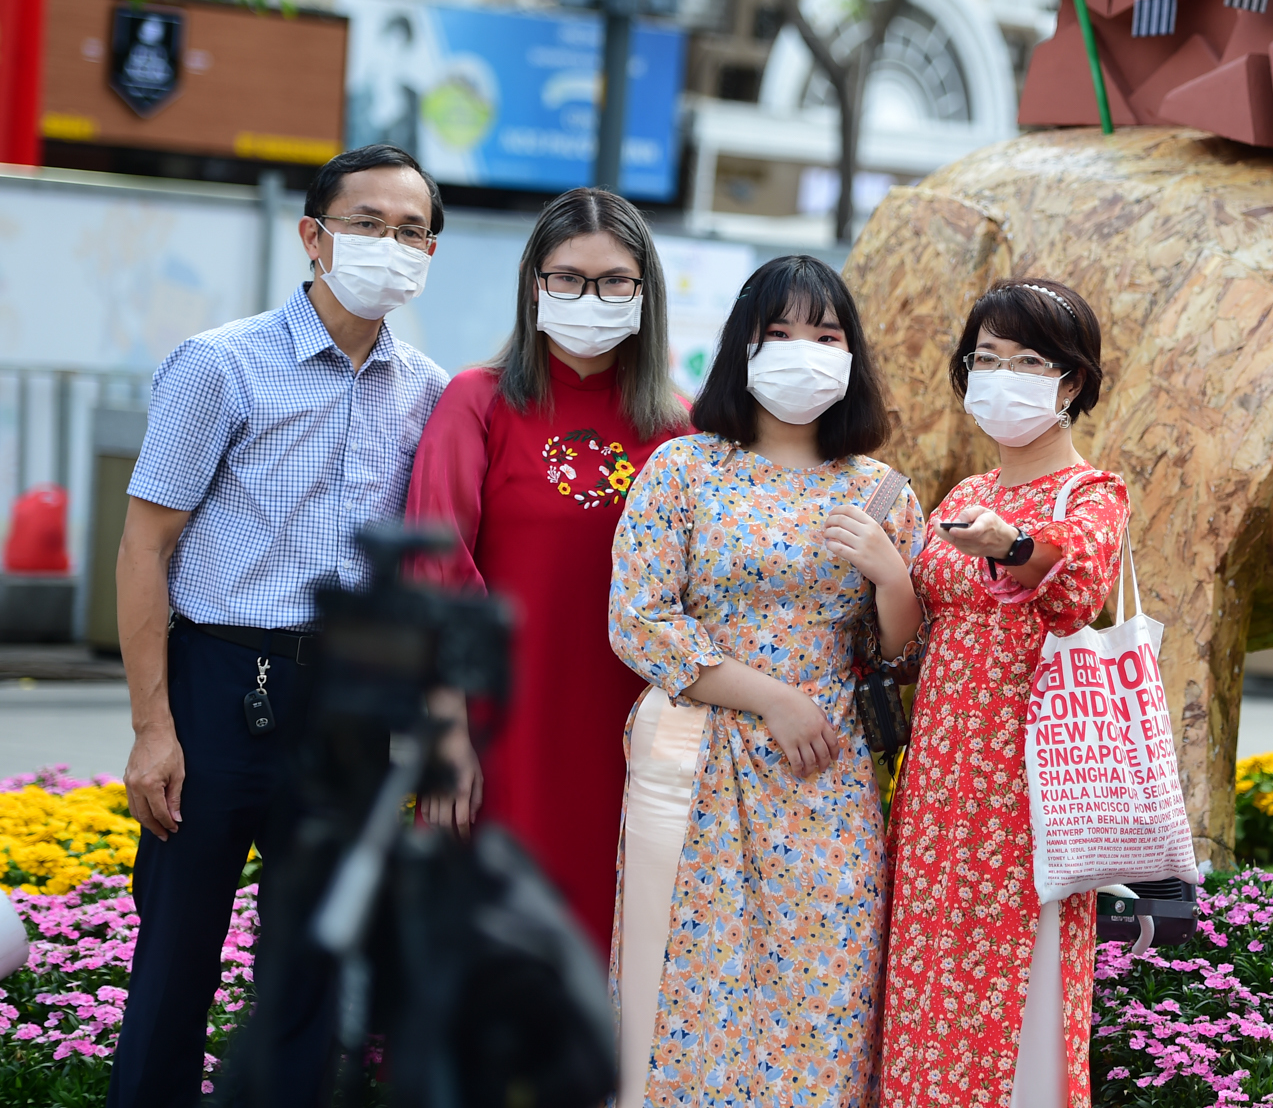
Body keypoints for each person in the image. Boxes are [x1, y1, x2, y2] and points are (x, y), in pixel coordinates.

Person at [110, 145, 451, 1106]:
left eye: (412, 230)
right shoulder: (220, 366)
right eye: (368, 224)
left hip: (347, 705)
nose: (392, 245)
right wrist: (152, 726)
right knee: (175, 962)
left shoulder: (425, 392)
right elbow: (145, 549)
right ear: (313, 235)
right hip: (220, 684)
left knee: (311, 977)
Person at [608, 255, 925, 1108]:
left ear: (852, 356)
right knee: (684, 988)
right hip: (697, 758)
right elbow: (639, 618)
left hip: (827, 779)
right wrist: (771, 696)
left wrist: (892, 579)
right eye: (778, 334)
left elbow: (901, 660)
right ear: (741, 350)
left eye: (824, 336)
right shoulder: (683, 470)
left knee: (828, 992)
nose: (802, 352)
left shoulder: (882, 493)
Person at [403, 187, 690, 953]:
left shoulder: (678, 428)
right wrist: (444, 733)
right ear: (534, 283)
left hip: (634, 728)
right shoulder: (478, 402)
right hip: (503, 723)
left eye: (613, 281)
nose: (589, 298)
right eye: (567, 278)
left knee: (618, 936)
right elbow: (435, 572)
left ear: (644, 292)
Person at [879, 279, 1130, 1108]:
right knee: (929, 979)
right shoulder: (965, 495)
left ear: (1073, 384)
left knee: (1017, 983)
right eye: (985, 359)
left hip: (1029, 790)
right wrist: (885, 569)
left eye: (1028, 360)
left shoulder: (1090, 495)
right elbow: (912, 636)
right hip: (938, 785)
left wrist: (1015, 545)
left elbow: (1075, 581)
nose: (1001, 376)